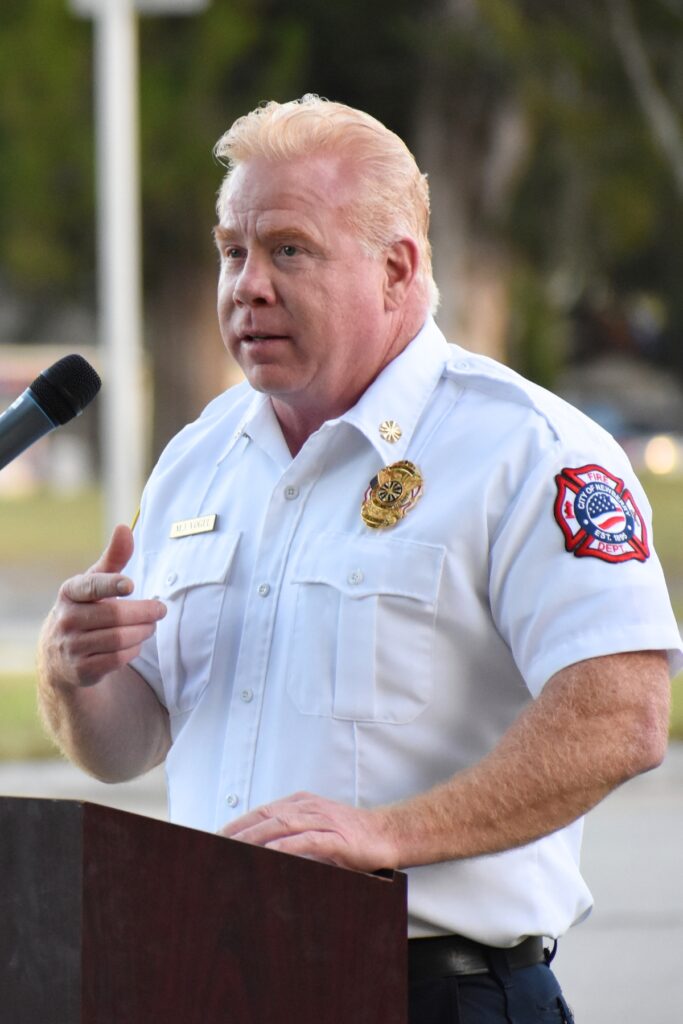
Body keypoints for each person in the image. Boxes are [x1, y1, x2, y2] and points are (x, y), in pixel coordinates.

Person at [38, 95, 682, 1024]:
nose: (247, 285)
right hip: (210, 980)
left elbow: (621, 716)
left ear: (396, 268)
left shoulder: (526, 449)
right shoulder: (201, 456)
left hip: (430, 991)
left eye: (288, 250)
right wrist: (75, 677)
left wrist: (387, 837)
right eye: (232, 251)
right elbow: (129, 743)